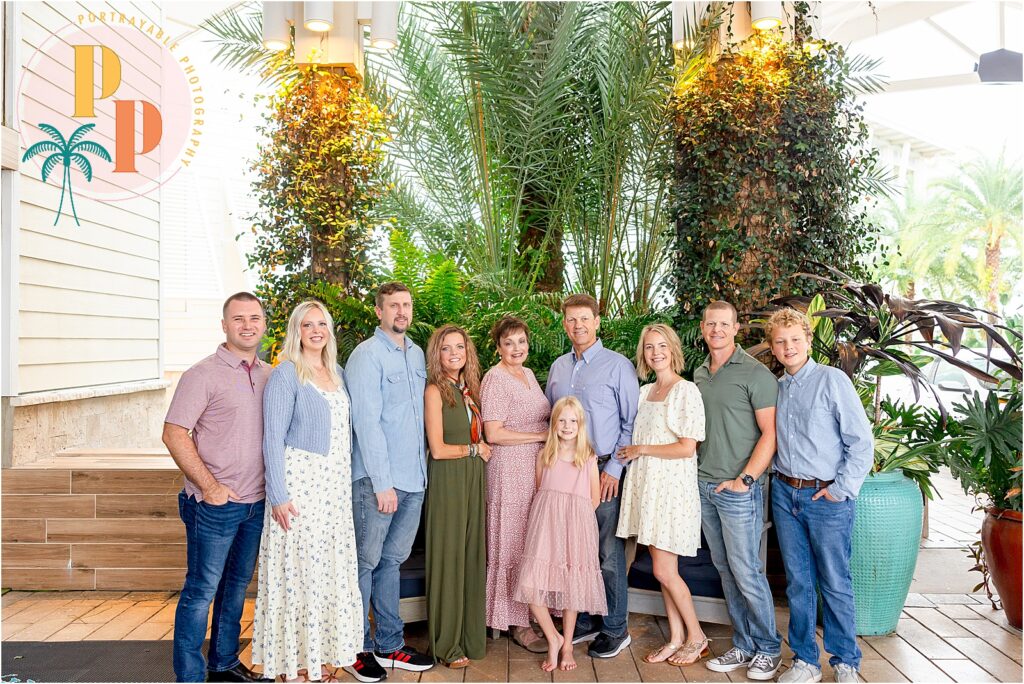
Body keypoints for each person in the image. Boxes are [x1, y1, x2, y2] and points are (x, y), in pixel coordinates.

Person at [163, 292, 272, 683]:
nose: (247, 325)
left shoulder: (269, 374)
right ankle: (190, 676)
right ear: (224, 325)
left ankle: (223, 663)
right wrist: (209, 486)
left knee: (236, 587)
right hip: (214, 504)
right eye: (238, 318)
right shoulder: (202, 374)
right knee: (201, 590)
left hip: (256, 503)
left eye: (255, 318)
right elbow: (174, 432)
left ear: (264, 324)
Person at [251, 301, 362, 682]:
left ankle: (321, 656)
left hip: (333, 489)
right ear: (296, 331)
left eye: (322, 324)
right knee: (297, 573)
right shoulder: (286, 375)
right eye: (307, 325)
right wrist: (279, 494)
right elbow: (272, 438)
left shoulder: (339, 373)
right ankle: (292, 664)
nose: (316, 330)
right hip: (300, 486)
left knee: (328, 570)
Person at [767, 309, 872, 684]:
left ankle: (846, 662)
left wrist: (841, 490)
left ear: (808, 341)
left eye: (795, 339)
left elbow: (861, 442)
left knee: (835, 581)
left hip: (825, 497)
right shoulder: (775, 387)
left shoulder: (832, 380)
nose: (788, 346)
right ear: (773, 347)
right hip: (785, 493)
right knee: (797, 581)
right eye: (780, 341)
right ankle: (805, 661)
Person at [343, 282, 434, 683]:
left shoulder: (416, 354)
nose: (402, 311)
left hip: (414, 479)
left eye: (407, 305)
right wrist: (381, 483)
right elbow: (366, 422)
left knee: (391, 562)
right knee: (365, 563)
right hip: (379, 482)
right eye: (394, 305)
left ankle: (390, 644)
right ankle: (356, 647)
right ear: (379, 312)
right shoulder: (366, 355)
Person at [545, 293, 639, 659]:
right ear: (564, 324)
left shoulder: (618, 367)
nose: (578, 325)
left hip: (602, 471)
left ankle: (615, 627)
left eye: (585, 319)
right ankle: (583, 617)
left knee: (606, 552)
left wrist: (614, 468)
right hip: (564, 471)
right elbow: (551, 421)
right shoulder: (558, 368)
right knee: (574, 549)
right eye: (571, 319)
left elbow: (631, 424)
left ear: (598, 322)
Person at [693, 300, 782, 681]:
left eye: (724, 324)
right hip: (704, 485)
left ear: (736, 328)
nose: (716, 330)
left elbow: (771, 434)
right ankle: (744, 644)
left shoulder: (756, 374)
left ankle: (770, 648)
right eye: (710, 324)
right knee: (725, 569)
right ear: (702, 328)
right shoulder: (698, 373)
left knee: (747, 571)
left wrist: (745, 480)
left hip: (739, 490)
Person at [615, 324, 709, 666]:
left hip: (671, 492)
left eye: (661, 346)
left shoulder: (686, 392)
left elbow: (686, 448)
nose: (655, 353)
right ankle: (676, 637)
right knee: (661, 569)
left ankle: (696, 636)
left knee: (666, 571)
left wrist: (640, 448)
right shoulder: (644, 393)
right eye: (649, 347)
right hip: (648, 490)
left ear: (673, 349)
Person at [514, 396, 606, 673]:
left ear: (581, 425)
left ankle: (567, 644)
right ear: (554, 424)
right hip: (546, 524)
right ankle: (552, 637)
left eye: (573, 421)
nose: (567, 426)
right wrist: (554, 517)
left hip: (576, 526)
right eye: (562, 420)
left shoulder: (587, 456)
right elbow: (542, 490)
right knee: (530, 582)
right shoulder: (546, 454)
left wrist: (574, 522)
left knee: (571, 584)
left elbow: (594, 498)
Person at [480, 316, 550, 653]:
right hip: (508, 471)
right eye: (509, 343)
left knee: (529, 540)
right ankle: (516, 622)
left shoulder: (529, 374)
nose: (516, 348)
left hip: (533, 470)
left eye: (521, 341)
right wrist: (539, 435)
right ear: (498, 347)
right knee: (510, 542)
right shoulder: (495, 379)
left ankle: (531, 611)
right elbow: (493, 433)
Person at [423, 324, 490, 668]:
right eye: (447, 348)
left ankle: (469, 636)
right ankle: (446, 643)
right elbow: (437, 449)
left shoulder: (469, 389)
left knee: (470, 555)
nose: (454, 354)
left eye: (459, 348)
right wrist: (474, 449)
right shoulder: (436, 390)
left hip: (473, 477)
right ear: (437, 354)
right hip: (449, 478)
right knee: (449, 557)